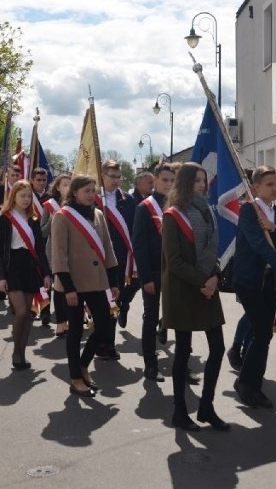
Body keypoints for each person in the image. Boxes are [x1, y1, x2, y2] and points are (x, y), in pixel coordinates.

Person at [161, 162, 228, 432]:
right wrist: (204, 281)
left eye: (204, 180)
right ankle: (179, 411)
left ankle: (207, 407)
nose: (203, 185)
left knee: (218, 348)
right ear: (186, 182)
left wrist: (214, 278)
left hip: (207, 285)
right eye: (197, 180)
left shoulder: (207, 211)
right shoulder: (172, 215)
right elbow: (174, 261)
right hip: (183, 289)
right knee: (183, 352)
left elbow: (212, 250)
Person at [51, 175, 120, 397]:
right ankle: (75, 378)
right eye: (86, 191)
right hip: (73, 284)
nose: (91, 195)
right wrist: (68, 287)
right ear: (75, 192)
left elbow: (107, 248)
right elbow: (58, 255)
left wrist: (114, 282)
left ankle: (83, 364)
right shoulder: (63, 216)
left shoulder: (98, 214)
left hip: (97, 281)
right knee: (76, 331)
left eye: (93, 190)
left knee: (103, 326)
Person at [231, 166, 276, 409]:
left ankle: (252, 382)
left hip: (268, 282)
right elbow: (257, 244)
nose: (274, 189)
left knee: (264, 333)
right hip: (248, 280)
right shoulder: (248, 211)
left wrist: (275, 229)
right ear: (255, 188)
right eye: (268, 185)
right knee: (262, 331)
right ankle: (247, 384)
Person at [0, 180, 51, 370]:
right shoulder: (3, 218)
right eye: (22, 196)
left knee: (28, 313)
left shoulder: (33, 220)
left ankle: (21, 352)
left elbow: (40, 249)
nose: (26, 199)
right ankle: (16, 351)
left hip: (30, 266)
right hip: (13, 266)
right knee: (20, 311)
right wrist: (0, 276)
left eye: (29, 196)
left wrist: (46, 274)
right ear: (14, 197)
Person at [131, 162, 176, 382]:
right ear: (155, 180)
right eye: (164, 180)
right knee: (151, 317)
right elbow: (139, 244)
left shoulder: (178, 205)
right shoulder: (145, 207)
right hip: (153, 273)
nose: (168, 184)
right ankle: (151, 365)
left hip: (175, 272)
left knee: (178, 316)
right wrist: (145, 277)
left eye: (171, 180)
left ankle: (181, 366)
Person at [95, 160, 139, 354]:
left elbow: (134, 230)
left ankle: (109, 343)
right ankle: (99, 340)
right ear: (102, 176)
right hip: (97, 259)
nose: (115, 180)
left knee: (115, 298)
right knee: (100, 302)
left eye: (118, 176)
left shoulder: (128, 201)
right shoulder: (93, 199)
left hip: (120, 259)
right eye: (111, 176)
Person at [43, 174, 71, 337]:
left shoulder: (77, 205)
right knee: (59, 288)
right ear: (58, 187)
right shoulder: (50, 205)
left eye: (70, 184)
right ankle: (61, 323)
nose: (67, 187)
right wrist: (53, 217)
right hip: (54, 251)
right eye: (64, 184)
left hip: (73, 252)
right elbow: (42, 232)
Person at [29, 167, 54, 327]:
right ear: (32, 180)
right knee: (33, 276)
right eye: (38, 180)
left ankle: (45, 311)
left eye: (44, 180)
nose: (42, 183)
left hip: (45, 242)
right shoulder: (26, 196)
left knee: (46, 276)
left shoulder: (50, 199)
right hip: (29, 241)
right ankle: (32, 306)